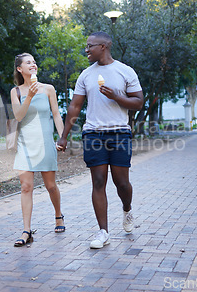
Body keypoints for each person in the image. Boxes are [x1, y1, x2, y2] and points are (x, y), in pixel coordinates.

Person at [57, 32, 144, 249]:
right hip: (94, 133)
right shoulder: (86, 75)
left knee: (121, 182)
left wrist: (117, 97)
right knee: (98, 181)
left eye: (90, 46)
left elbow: (139, 102)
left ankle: (127, 209)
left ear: (103, 46)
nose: (86, 50)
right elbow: (75, 107)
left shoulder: (125, 71)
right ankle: (103, 232)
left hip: (119, 133)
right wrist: (64, 135)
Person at [11, 53, 65, 247]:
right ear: (20, 69)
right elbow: (18, 116)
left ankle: (58, 215)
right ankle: (26, 231)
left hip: (45, 144)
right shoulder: (15, 91)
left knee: (51, 186)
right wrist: (29, 97)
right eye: (28, 62)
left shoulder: (48, 89)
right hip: (25, 145)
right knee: (26, 187)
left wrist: (62, 136)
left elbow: (57, 115)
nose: (33, 64)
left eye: (34, 62)